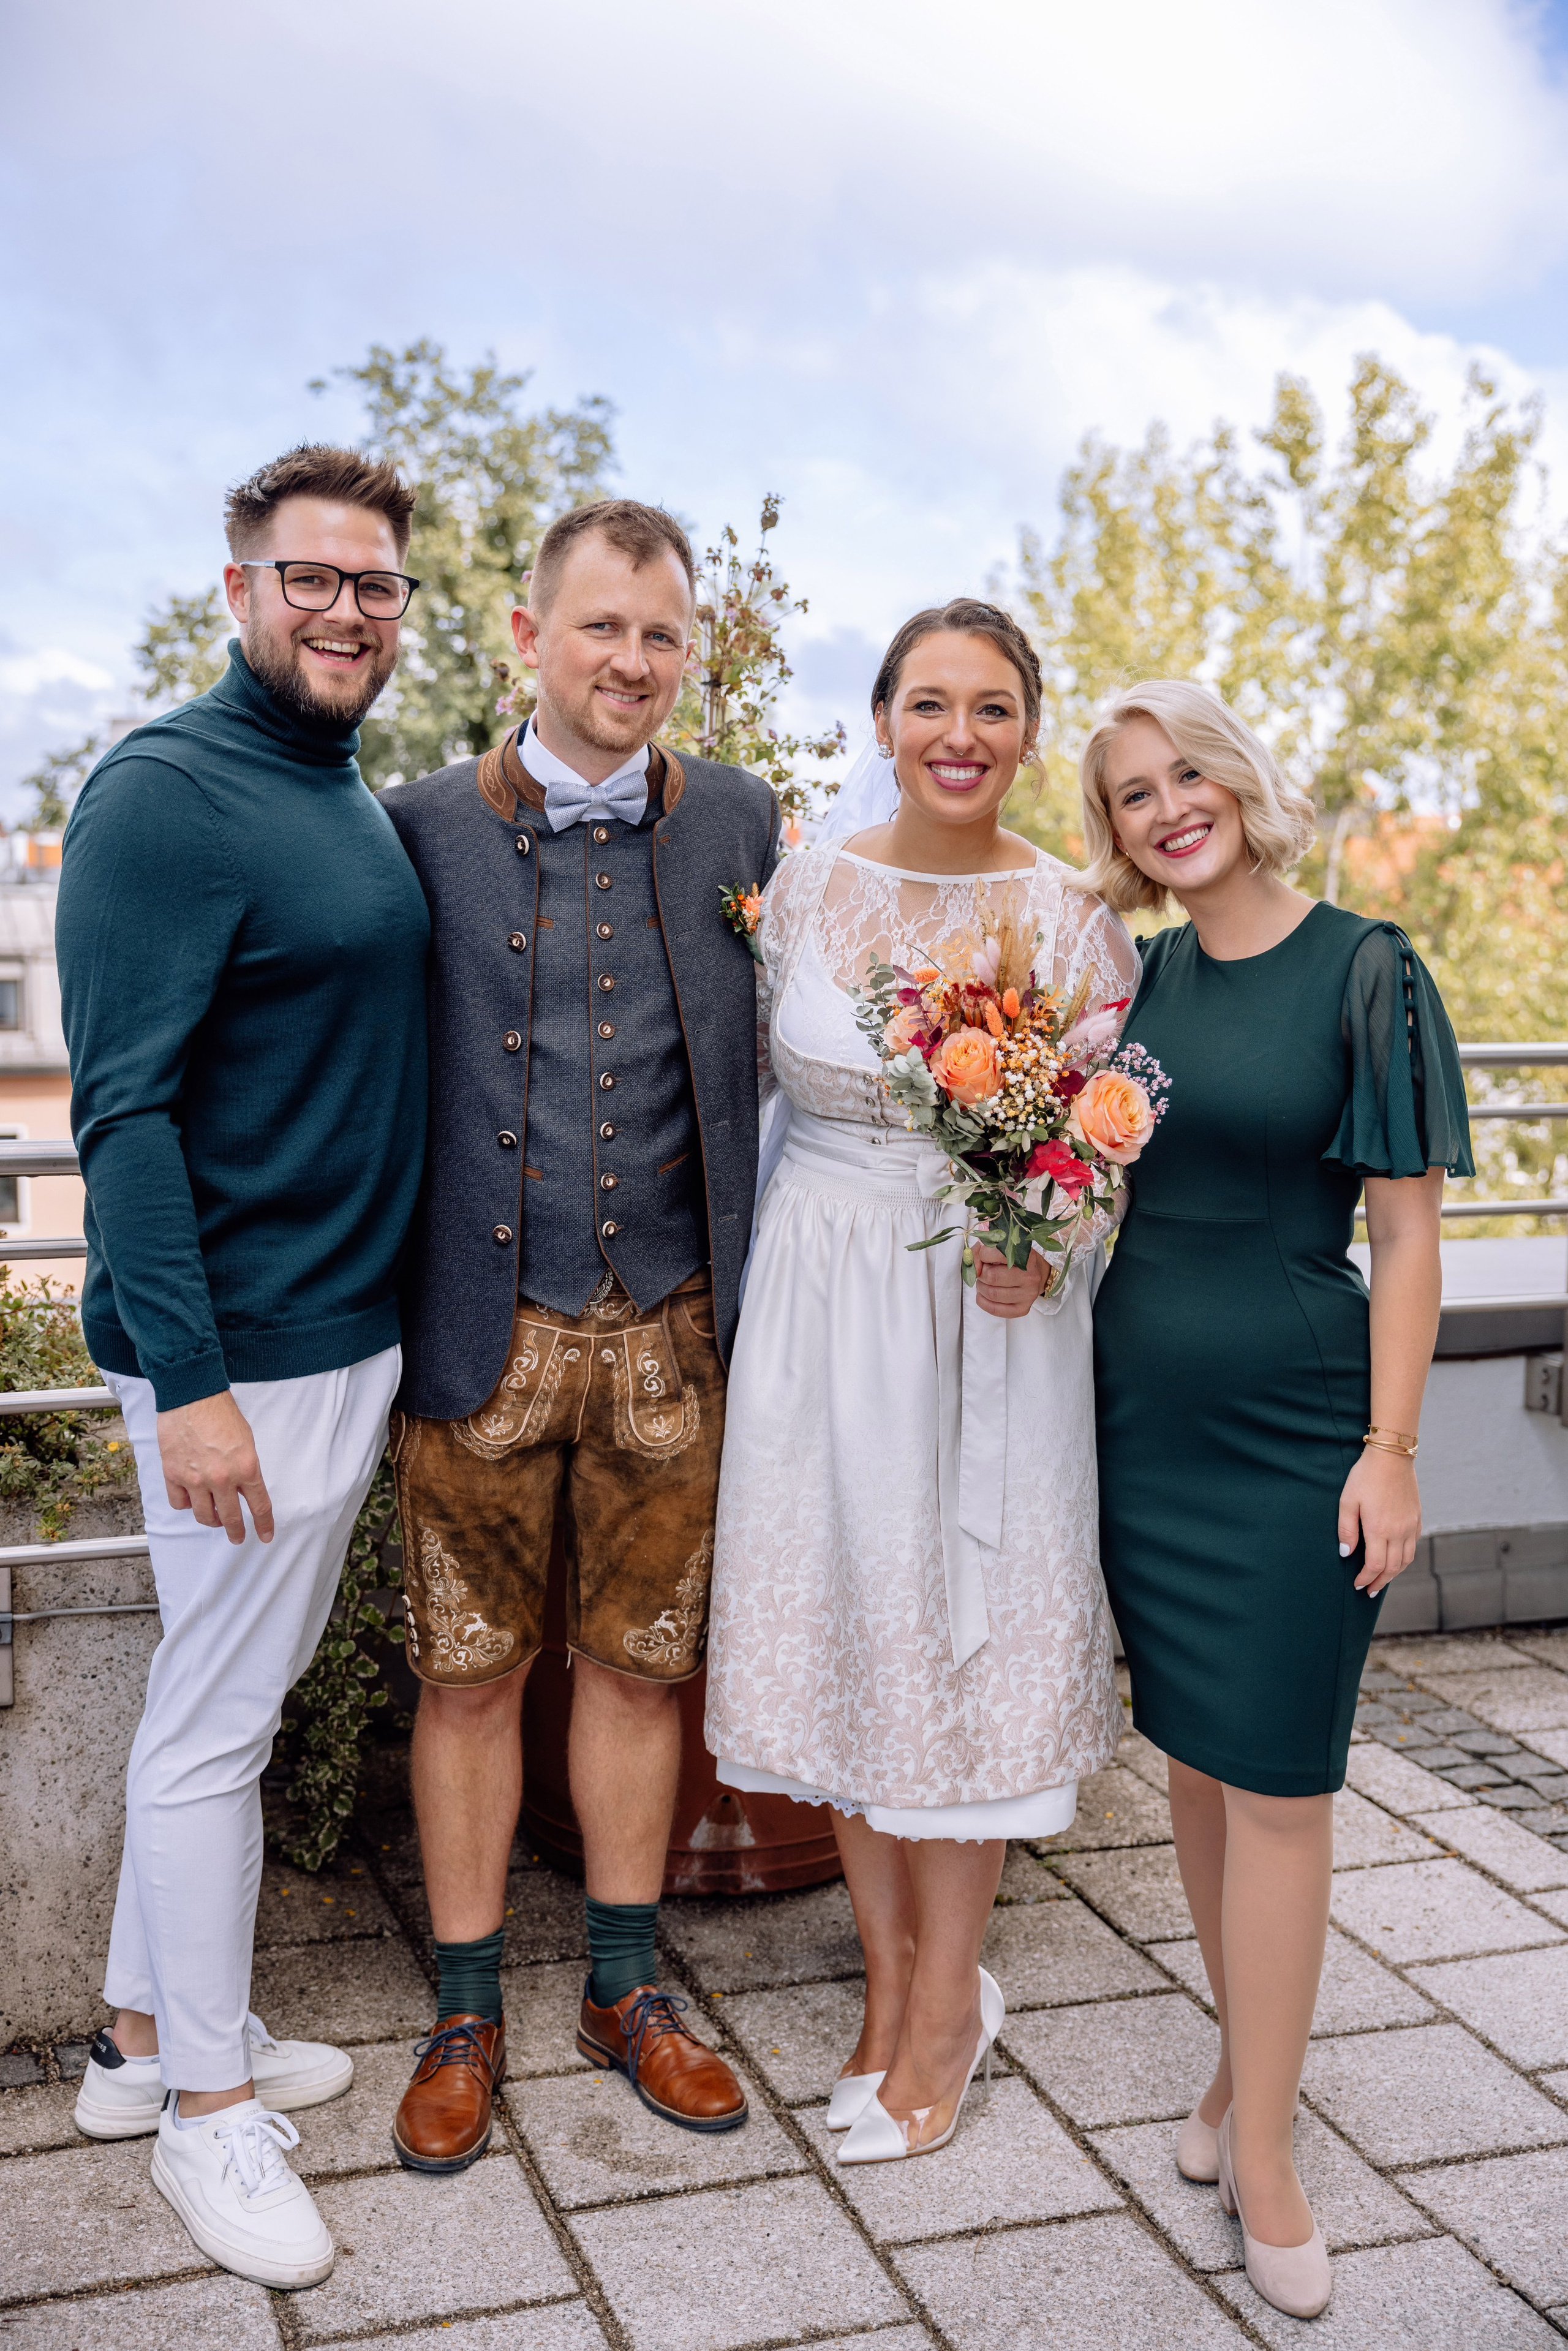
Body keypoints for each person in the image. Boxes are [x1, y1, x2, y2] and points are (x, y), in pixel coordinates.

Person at [56, 445, 431, 2287]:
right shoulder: (162, 793)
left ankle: (143, 2042)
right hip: (244, 1354)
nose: (346, 611)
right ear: (238, 588)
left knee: (230, 1693)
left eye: (376, 586)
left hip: (338, 1332)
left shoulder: (334, 785)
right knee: (216, 1723)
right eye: (313, 579)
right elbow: (117, 1110)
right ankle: (212, 2118)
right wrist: (190, 1378)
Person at [704, 600, 1135, 2165]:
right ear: (881, 717)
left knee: (954, 1662)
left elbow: (1105, 1140)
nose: (961, 733)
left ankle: (949, 2000)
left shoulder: (1080, 918)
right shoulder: (806, 885)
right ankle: (885, 1990)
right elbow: (753, 1098)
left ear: (1029, 729)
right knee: (854, 1643)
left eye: (994, 707)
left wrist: (1050, 1236)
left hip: (989, 1317)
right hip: (819, 1311)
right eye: (930, 702)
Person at [379, 498, 777, 2170]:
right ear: (526, 637)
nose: (633, 660)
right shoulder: (411, 828)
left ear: (692, 654)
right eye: (602, 626)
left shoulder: (749, 820)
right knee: (466, 1684)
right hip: (478, 1328)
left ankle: (624, 1984)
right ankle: (463, 2005)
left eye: (663, 634)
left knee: (638, 1667)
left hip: (671, 1334)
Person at [1086, 681, 1471, 2320]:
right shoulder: (1139, 979)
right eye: (1127, 796)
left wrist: (1391, 1448)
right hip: (1139, 1424)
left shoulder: (1367, 965)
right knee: (1195, 1755)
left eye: (1185, 774)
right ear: (1115, 838)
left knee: (1285, 1786)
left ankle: (1268, 2150)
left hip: (1300, 1430)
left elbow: (1405, 1238)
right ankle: (1246, 2070)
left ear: (1239, 780)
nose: (1167, 807)